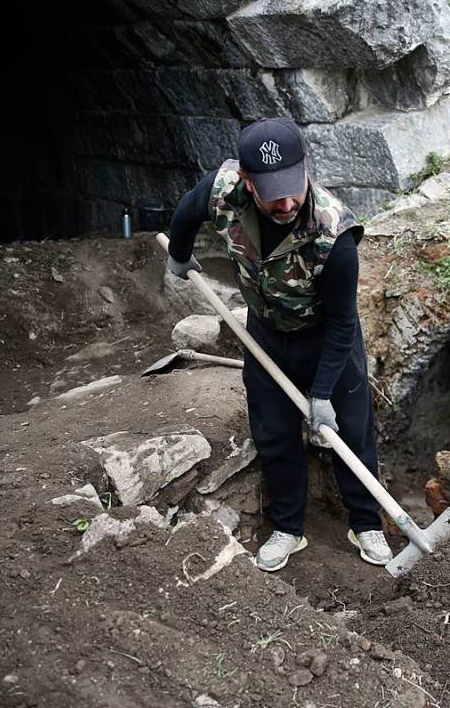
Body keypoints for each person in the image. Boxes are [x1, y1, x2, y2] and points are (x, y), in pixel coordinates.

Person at [166, 117, 393, 572]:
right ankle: (288, 529)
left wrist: (323, 393)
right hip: (266, 335)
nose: (287, 201)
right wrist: (178, 253)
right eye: (273, 193)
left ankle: (366, 522)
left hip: (328, 340)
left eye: (294, 186)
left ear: (305, 166)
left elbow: (344, 322)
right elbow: (188, 209)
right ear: (248, 182)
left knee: (351, 431)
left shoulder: (335, 235)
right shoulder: (222, 190)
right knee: (273, 434)